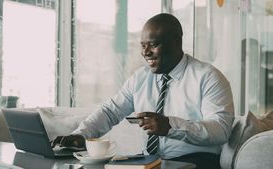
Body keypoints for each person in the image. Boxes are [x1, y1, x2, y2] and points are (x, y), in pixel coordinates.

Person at [52, 13, 234, 169]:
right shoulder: (141, 77)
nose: (145, 52)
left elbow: (221, 130)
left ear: (176, 42)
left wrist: (171, 126)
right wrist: (81, 135)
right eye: (143, 45)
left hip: (196, 162)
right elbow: (110, 111)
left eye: (153, 45)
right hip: (150, 161)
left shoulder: (209, 78)